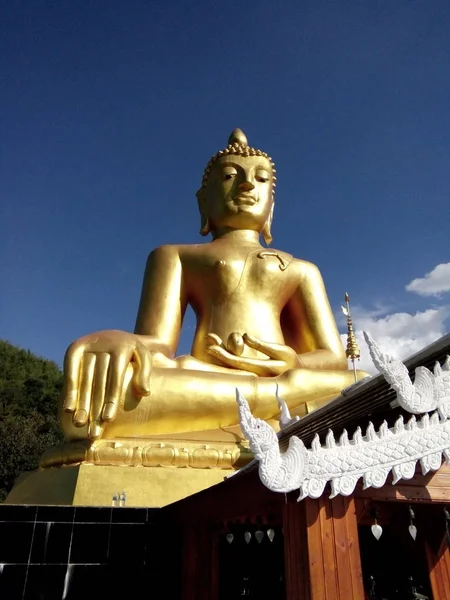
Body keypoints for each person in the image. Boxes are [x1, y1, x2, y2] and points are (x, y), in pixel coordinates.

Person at [60, 129, 367, 442]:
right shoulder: (175, 256)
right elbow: (158, 343)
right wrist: (120, 341)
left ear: (271, 207)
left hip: (284, 377)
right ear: (203, 202)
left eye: (261, 179)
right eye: (231, 176)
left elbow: (333, 357)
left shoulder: (302, 269)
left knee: (360, 382)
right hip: (208, 376)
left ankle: (273, 396)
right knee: (105, 394)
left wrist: (295, 362)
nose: (247, 184)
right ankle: (274, 401)